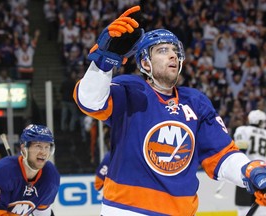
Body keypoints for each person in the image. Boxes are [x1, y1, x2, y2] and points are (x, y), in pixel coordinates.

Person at [73, 5, 266, 215]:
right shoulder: (130, 89)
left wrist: (249, 171)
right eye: (163, 50)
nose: (172, 55)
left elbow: (221, 155)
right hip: (126, 210)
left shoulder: (195, 101)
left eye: (175, 51)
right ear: (145, 62)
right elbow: (90, 101)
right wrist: (103, 64)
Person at [0, 124, 60, 216]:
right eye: (38, 146)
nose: (44, 152)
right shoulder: (2, 171)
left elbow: (43, 212)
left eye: (47, 147)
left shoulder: (50, 176)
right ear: (24, 148)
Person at [234, 110, 266, 216]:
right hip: (263, 175)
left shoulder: (242, 130)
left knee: (243, 208)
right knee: (262, 207)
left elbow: (240, 150)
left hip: (248, 172)